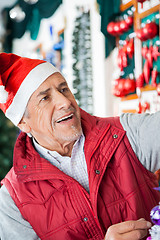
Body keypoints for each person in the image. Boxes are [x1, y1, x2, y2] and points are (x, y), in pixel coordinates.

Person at [0, 52, 159, 240]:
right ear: (23, 123)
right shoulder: (13, 199)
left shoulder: (125, 133)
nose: (65, 102)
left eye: (64, 89)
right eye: (45, 98)